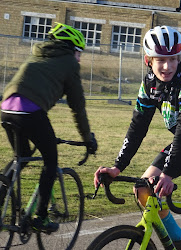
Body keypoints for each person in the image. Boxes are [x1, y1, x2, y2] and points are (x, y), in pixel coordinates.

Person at [94, 26, 181, 250]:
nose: (167, 66)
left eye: (172, 59)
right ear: (148, 59)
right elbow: (137, 127)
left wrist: (168, 174)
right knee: (142, 188)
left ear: (179, 59)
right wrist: (117, 167)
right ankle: (178, 238)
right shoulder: (150, 84)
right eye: (160, 59)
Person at [1, 22, 98, 232]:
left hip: (6, 109)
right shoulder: (69, 64)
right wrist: (87, 139)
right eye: (79, 52)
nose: (80, 57)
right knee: (51, 162)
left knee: (22, 156)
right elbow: (78, 108)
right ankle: (41, 217)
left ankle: (1, 196)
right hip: (31, 114)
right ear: (72, 49)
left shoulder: (38, 55)